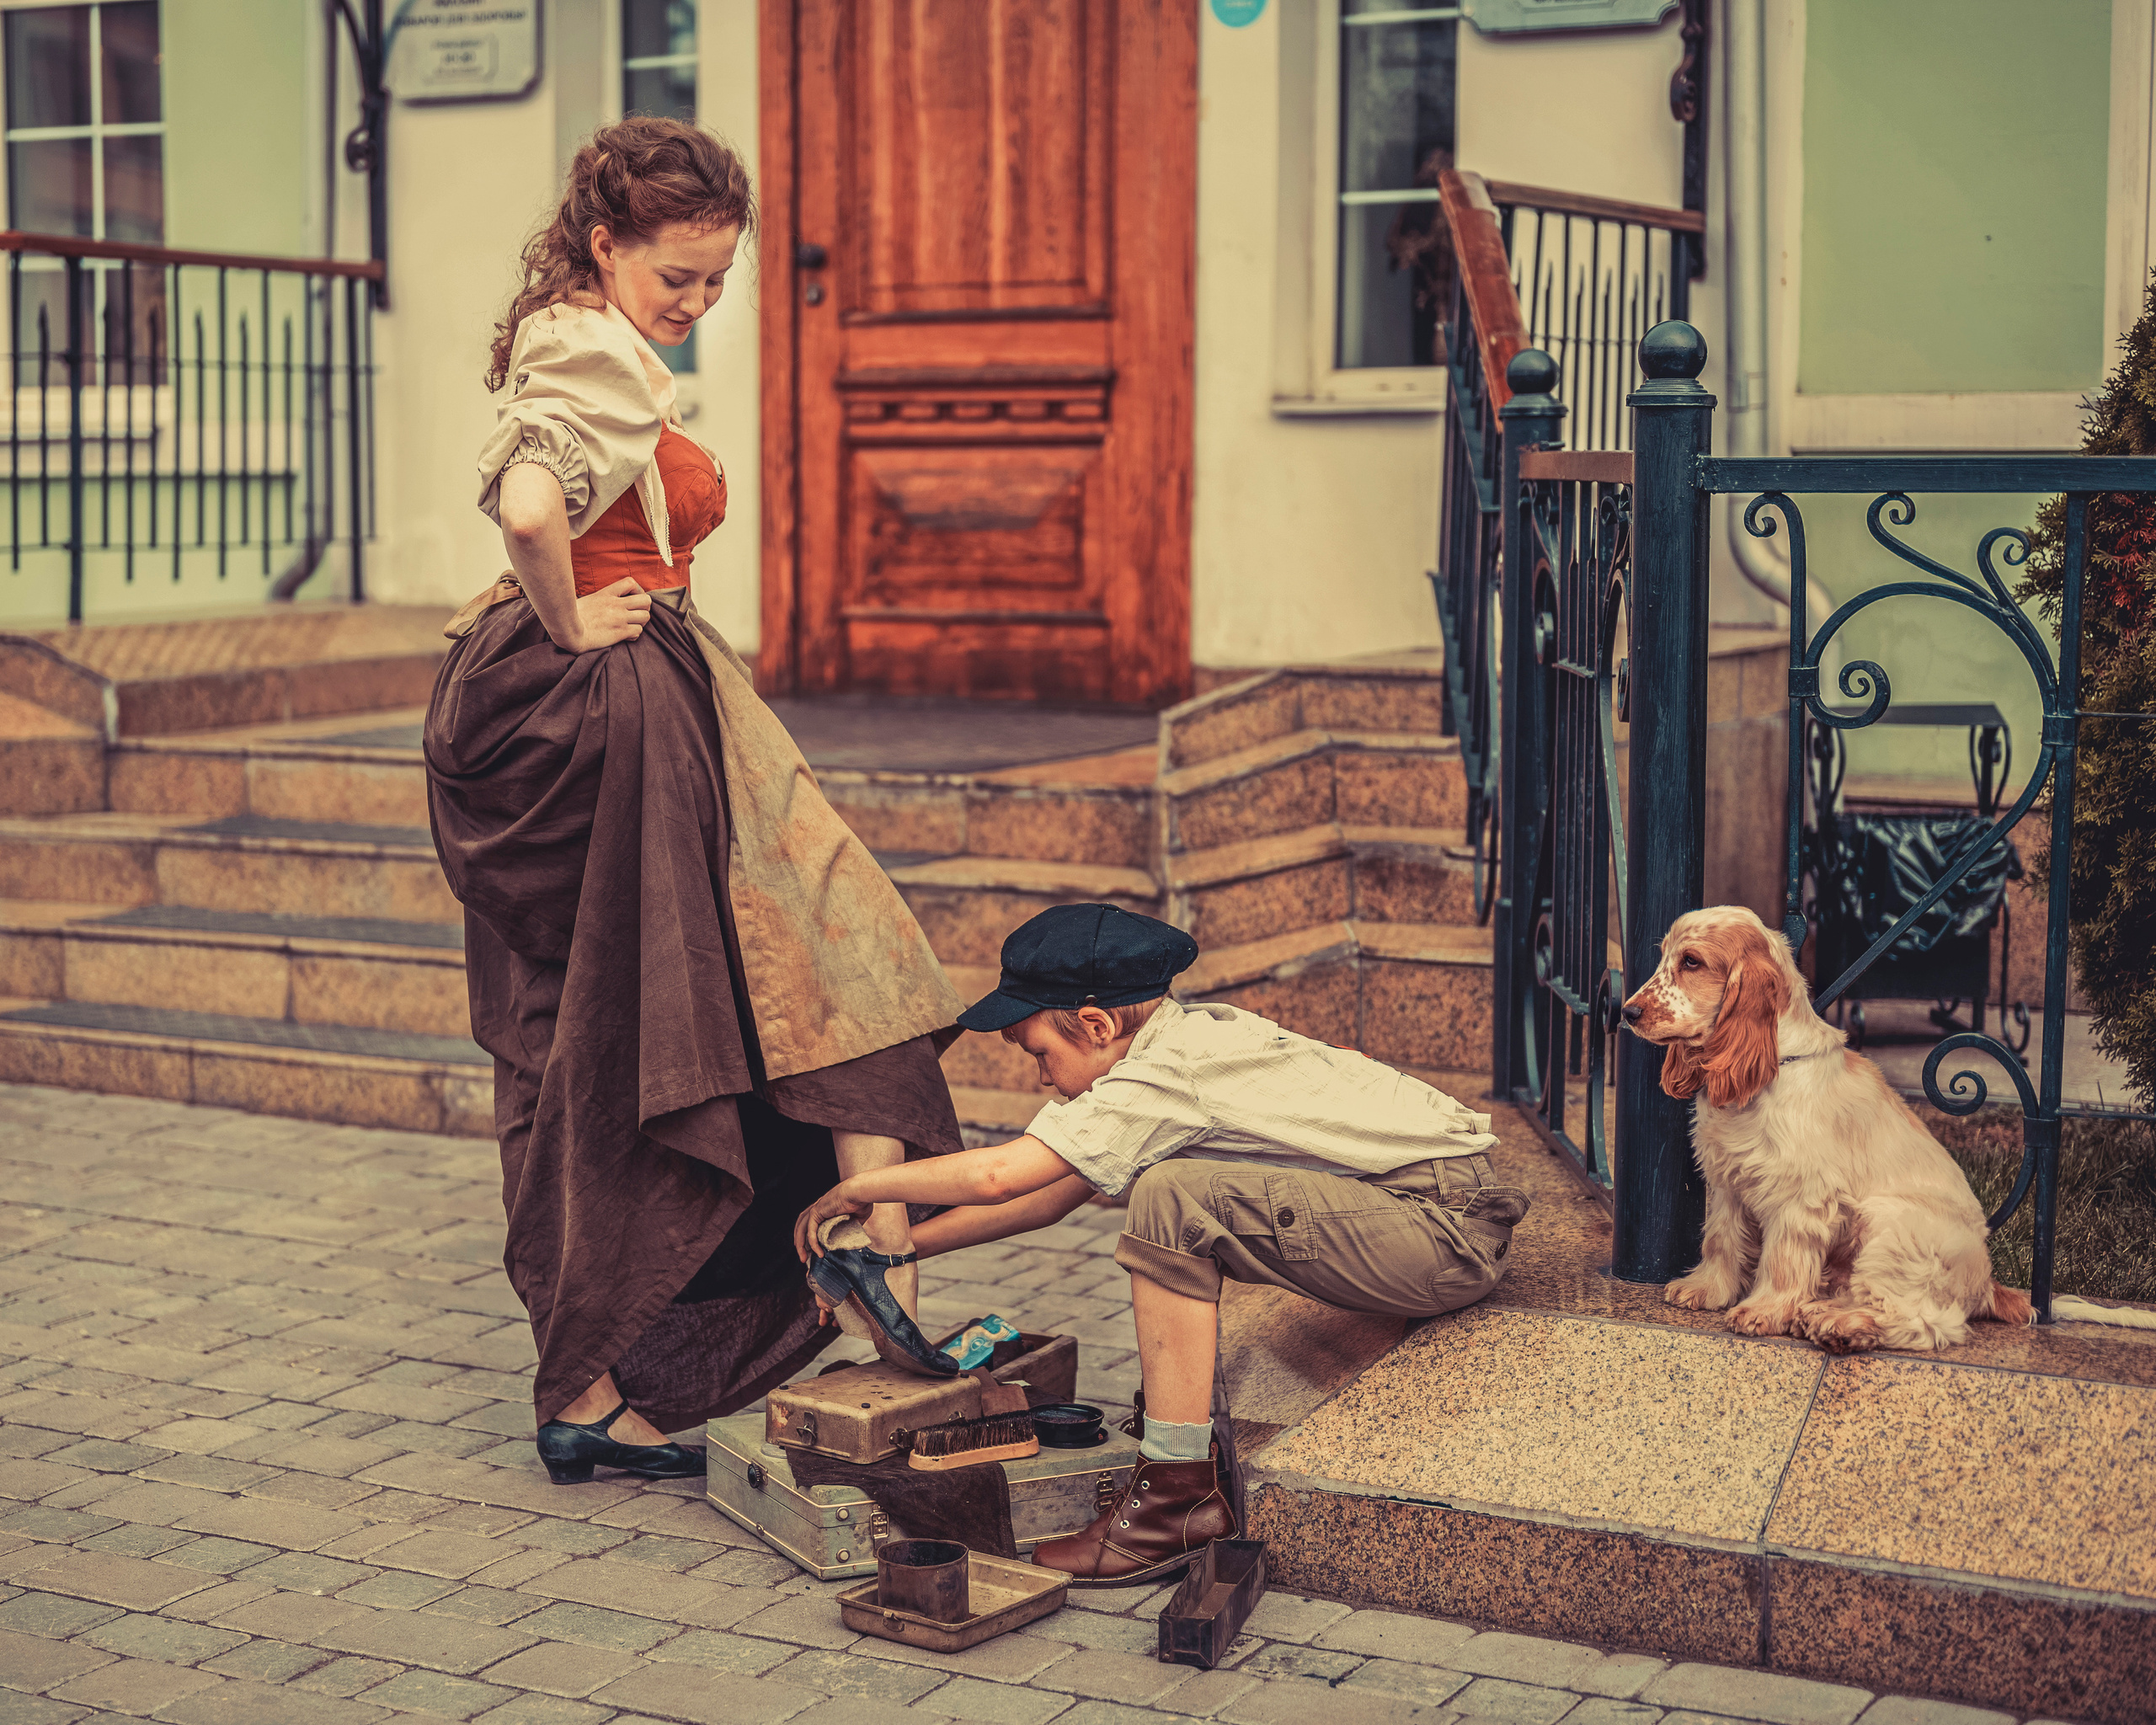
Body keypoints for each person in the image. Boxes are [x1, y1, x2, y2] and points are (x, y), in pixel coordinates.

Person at [424, 117, 964, 1487]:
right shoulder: (583, 346)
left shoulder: (585, 335)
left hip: (630, 704)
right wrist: (574, 624)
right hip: (602, 710)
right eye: (680, 276)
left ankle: (811, 1249)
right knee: (625, 1023)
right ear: (605, 244)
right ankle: (607, 1372)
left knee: (696, 989)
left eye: (719, 279)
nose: (700, 302)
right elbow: (533, 506)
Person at [792, 903, 1530, 1586]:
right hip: (1425, 1219)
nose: (1039, 1074)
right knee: (1170, 1189)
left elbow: (998, 1174)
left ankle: (1176, 1494)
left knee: (1171, 1197)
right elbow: (1046, 1201)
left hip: (1439, 1231)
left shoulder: (1163, 1073)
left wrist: (859, 1190)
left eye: (1037, 1050)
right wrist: (896, 1253)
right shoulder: (1180, 1048)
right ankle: (1179, 1469)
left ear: (1096, 1025)